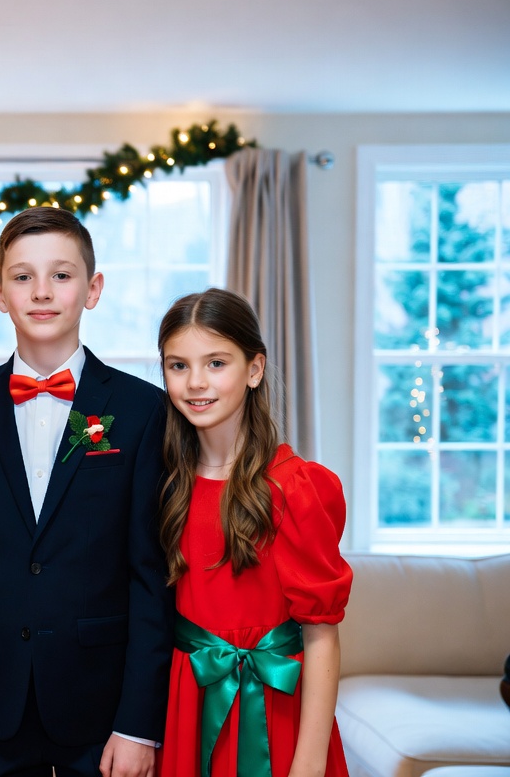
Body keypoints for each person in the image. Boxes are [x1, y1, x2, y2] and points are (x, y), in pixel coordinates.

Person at [0, 206, 175, 777]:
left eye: (61, 275)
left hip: (101, 708)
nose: (42, 292)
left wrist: (137, 723)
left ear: (92, 289)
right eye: (23, 277)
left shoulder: (143, 411)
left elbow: (151, 578)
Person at [156, 287, 352, 777]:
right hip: (188, 705)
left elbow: (321, 637)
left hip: (276, 711)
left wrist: (308, 763)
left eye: (216, 363)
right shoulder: (164, 484)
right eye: (178, 365)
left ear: (255, 369)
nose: (196, 382)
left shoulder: (294, 488)